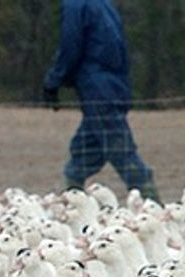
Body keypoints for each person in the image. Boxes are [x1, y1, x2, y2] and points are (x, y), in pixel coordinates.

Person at [43, 0, 159, 201]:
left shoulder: (76, 6)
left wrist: (55, 79)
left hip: (96, 87)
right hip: (113, 85)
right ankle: (71, 197)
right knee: (84, 148)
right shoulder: (103, 4)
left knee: (120, 149)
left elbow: (71, 44)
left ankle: (151, 201)